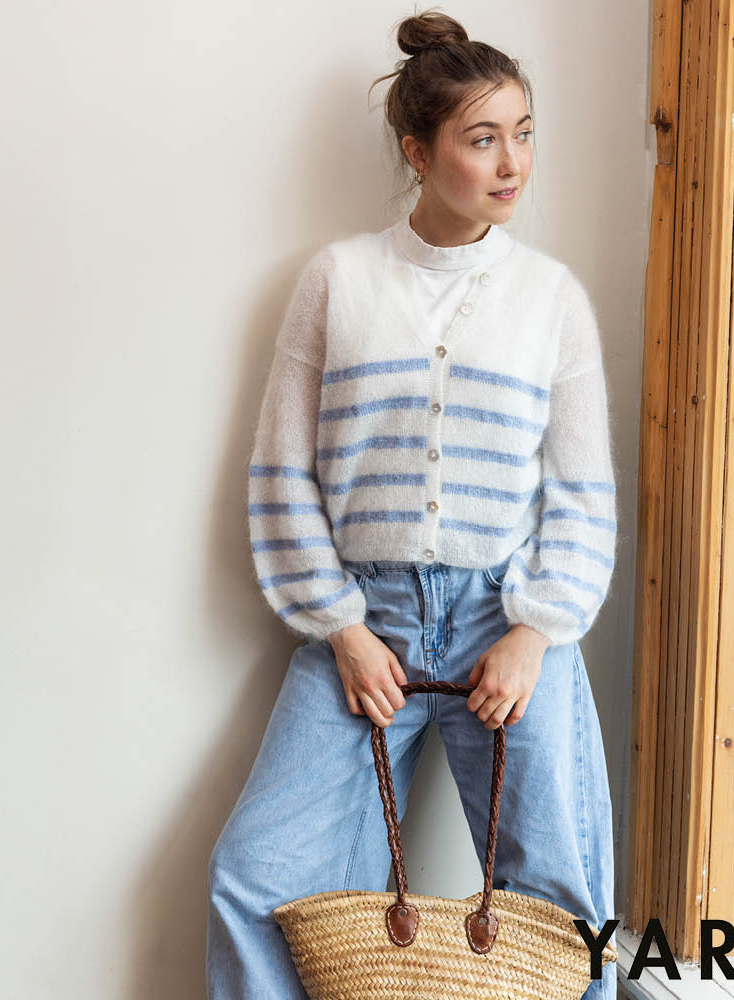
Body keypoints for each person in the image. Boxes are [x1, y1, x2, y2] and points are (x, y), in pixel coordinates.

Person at [206, 10, 619, 999]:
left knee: (560, 904)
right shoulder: (338, 282)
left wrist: (534, 634)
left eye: (524, 133)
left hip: (504, 620)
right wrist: (343, 630)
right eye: (483, 139)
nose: (512, 163)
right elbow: (281, 475)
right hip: (367, 621)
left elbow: (581, 495)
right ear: (417, 151)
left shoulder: (550, 298)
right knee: (253, 876)